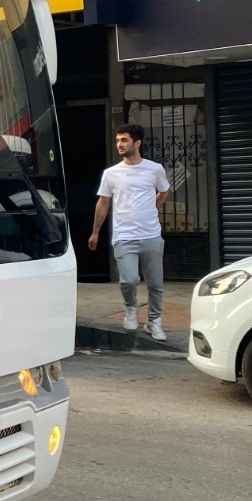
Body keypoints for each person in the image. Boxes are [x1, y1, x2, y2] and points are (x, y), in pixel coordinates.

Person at [88, 123, 172, 341]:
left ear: (137, 143)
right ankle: (131, 309)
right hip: (124, 236)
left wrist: (152, 207)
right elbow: (103, 202)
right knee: (129, 280)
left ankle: (154, 322)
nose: (119, 144)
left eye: (124, 140)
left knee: (155, 283)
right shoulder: (111, 174)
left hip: (151, 235)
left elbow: (164, 191)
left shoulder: (154, 169)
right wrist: (95, 232)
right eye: (118, 140)